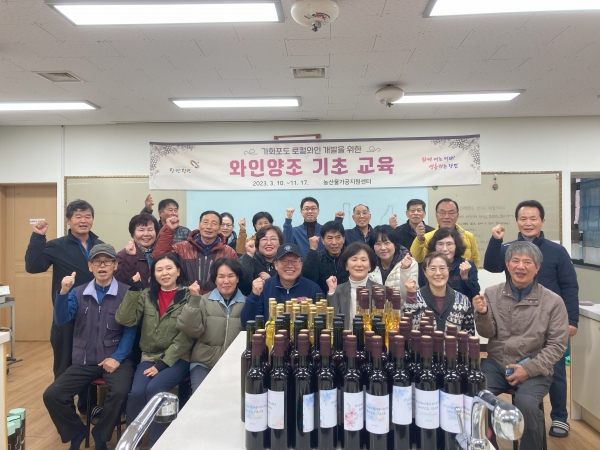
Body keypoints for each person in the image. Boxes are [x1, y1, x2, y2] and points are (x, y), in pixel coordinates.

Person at [483, 199, 578, 437]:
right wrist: (495, 241)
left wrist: (572, 320)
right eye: (523, 218)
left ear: (542, 221)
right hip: (517, 317)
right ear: (517, 221)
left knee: (555, 369)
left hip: (548, 318)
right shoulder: (509, 248)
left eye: (533, 218)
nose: (528, 223)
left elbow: (569, 285)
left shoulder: (557, 251)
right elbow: (491, 265)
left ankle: (559, 417)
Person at [473, 241, 569, 450]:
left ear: (537, 267)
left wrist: (529, 369)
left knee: (526, 404)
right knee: (478, 396)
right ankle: (488, 446)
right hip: (497, 363)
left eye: (527, 262)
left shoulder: (553, 301)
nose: (520, 266)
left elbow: (557, 345)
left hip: (535, 367)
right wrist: (482, 314)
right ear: (507, 265)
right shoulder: (492, 293)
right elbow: (487, 333)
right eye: (515, 261)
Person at [43, 244, 135, 450]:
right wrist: (63, 292)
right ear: (90, 266)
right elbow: (61, 319)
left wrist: (117, 358)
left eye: (107, 261)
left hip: (115, 359)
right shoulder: (78, 292)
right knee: (52, 394)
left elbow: (130, 331)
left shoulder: (126, 293)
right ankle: (76, 431)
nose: (102, 265)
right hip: (84, 359)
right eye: (97, 262)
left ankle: (101, 435)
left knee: (121, 391)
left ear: (115, 265)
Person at [25, 199, 103, 412]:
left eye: (87, 216)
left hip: (94, 316)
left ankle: (88, 407)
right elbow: (33, 266)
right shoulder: (56, 245)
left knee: (89, 363)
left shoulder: (100, 245)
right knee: (63, 364)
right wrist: (38, 236)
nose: (83, 220)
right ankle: (65, 410)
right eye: (78, 216)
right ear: (68, 220)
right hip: (66, 316)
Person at [115, 254, 194, 448]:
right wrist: (134, 290)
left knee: (156, 390)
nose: (164, 273)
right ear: (154, 274)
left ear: (178, 271)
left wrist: (162, 364)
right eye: (159, 270)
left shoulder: (189, 296)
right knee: (136, 393)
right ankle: (131, 442)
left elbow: (187, 336)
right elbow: (125, 319)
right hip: (149, 357)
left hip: (177, 358)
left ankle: (155, 443)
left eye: (169, 268)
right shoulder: (145, 295)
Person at [177, 258, 245, 392]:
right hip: (204, 363)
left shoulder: (247, 303)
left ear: (237, 278)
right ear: (215, 279)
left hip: (235, 365)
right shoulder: (202, 300)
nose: (226, 281)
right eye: (221, 276)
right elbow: (191, 330)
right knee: (201, 397)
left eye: (231, 276)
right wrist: (194, 300)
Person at [152, 210, 239, 294]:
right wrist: (169, 229)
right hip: (186, 298)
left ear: (219, 228)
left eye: (214, 223)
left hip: (215, 300)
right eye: (205, 222)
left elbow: (234, 279)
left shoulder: (229, 252)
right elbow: (159, 257)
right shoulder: (182, 248)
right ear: (199, 225)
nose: (209, 226)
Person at [240, 244, 321, 327]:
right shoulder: (264, 287)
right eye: (284, 261)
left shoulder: (313, 288)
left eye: (295, 261)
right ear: (276, 265)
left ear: (301, 264)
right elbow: (247, 323)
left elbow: (321, 322)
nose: (290, 266)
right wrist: (254, 296)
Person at [404, 252, 474, 335]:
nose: (438, 273)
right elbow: (407, 332)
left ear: (448, 270)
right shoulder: (413, 297)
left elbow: (469, 337)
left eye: (442, 268)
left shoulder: (463, 301)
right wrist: (411, 298)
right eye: (432, 269)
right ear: (425, 272)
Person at [410, 198, 480, 267]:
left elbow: (475, 261)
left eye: (451, 213)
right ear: (436, 215)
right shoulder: (427, 238)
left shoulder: (469, 236)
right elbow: (417, 258)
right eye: (442, 213)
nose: (446, 217)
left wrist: (470, 273)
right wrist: (419, 239)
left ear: (457, 215)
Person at [326, 242, 379, 328]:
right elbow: (333, 321)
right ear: (346, 266)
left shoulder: (381, 291)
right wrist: (332, 291)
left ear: (370, 266)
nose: (359, 264)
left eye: (363, 260)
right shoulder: (337, 290)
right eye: (354, 260)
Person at [417, 227, 480, 300]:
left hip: (461, 305)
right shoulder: (427, 265)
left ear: (456, 246)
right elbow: (423, 293)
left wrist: (465, 278)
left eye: (449, 244)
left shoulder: (468, 265)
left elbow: (475, 295)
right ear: (434, 246)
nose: (444, 249)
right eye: (440, 244)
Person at [368, 225, 418, 302]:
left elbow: (408, 296)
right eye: (378, 244)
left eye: (387, 243)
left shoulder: (410, 264)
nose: (383, 248)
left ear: (395, 244)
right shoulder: (370, 265)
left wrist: (405, 270)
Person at [301, 220, 349, 296]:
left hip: (347, 299)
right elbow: (308, 279)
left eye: (338, 238)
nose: (334, 242)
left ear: (343, 239)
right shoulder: (317, 258)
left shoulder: (351, 257)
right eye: (330, 238)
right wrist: (312, 250)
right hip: (323, 300)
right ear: (323, 240)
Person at [115, 213, 159, 289]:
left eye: (150, 229)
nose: (146, 234)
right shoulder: (122, 255)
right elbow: (119, 281)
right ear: (132, 234)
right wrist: (130, 257)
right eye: (141, 230)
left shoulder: (163, 253)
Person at [239, 225, 283, 295]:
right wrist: (249, 254)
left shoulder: (285, 262)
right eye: (264, 239)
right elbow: (242, 282)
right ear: (258, 243)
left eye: (273, 239)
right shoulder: (249, 259)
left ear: (280, 242)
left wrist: (270, 281)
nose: (269, 243)